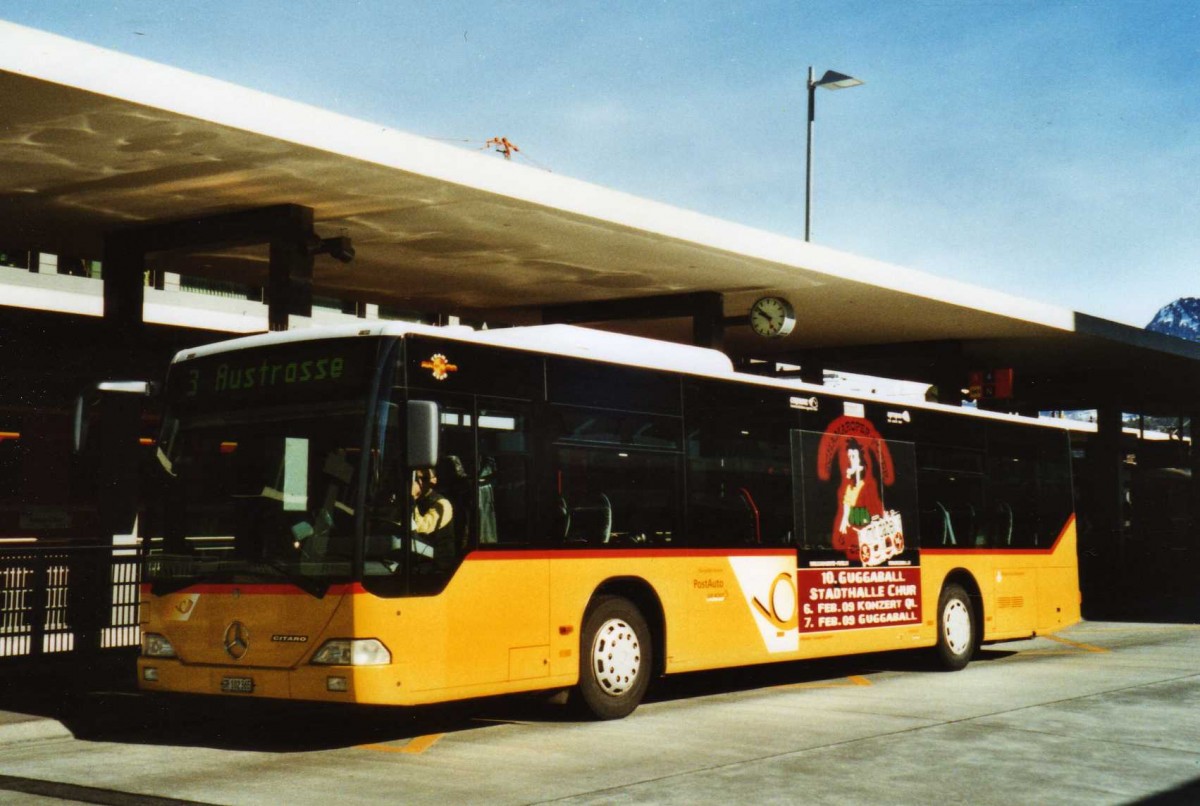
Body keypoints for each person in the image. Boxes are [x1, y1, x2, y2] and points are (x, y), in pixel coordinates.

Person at [411, 468, 455, 570]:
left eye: (424, 478)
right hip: (418, 559)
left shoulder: (442, 504)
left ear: (434, 480)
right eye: (416, 479)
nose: (419, 482)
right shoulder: (419, 501)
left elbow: (421, 529)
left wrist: (411, 498)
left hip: (437, 566)